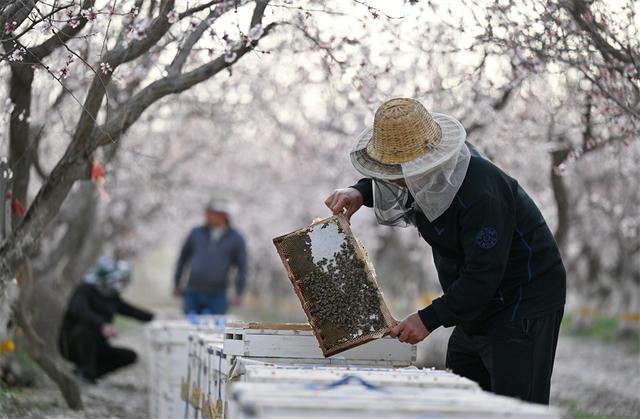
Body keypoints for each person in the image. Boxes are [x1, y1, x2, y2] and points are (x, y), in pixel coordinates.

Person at [325, 98, 566, 404]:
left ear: (427, 161)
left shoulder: (482, 194)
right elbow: (402, 189)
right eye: (388, 168)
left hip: (523, 300)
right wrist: (359, 191)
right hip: (476, 303)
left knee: (514, 404)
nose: (393, 177)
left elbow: (483, 274)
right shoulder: (426, 179)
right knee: (461, 393)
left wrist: (428, 318)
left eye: (399, 168)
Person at [58, 256, 153, 383]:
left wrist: (156, 318)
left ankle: (88, 373)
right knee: (88, 330)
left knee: (130, 356)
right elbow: (80, 310)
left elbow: (132, 311)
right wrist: (102, 325)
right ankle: (87, 372)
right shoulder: (84, 290)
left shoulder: (112, 298)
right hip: (72, 345)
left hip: (97, 347)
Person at [174, 197, 248, 315]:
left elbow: (242, 267)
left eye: (212, 213)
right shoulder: (196, 233)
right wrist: (177, 283)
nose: (207, 215)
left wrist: (239, 293)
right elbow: (183, 258)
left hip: (218, 294)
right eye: (207, 212)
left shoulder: (236, 238)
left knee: (217, 329)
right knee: (188, 327)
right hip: (193, 291)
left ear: (224, 215)